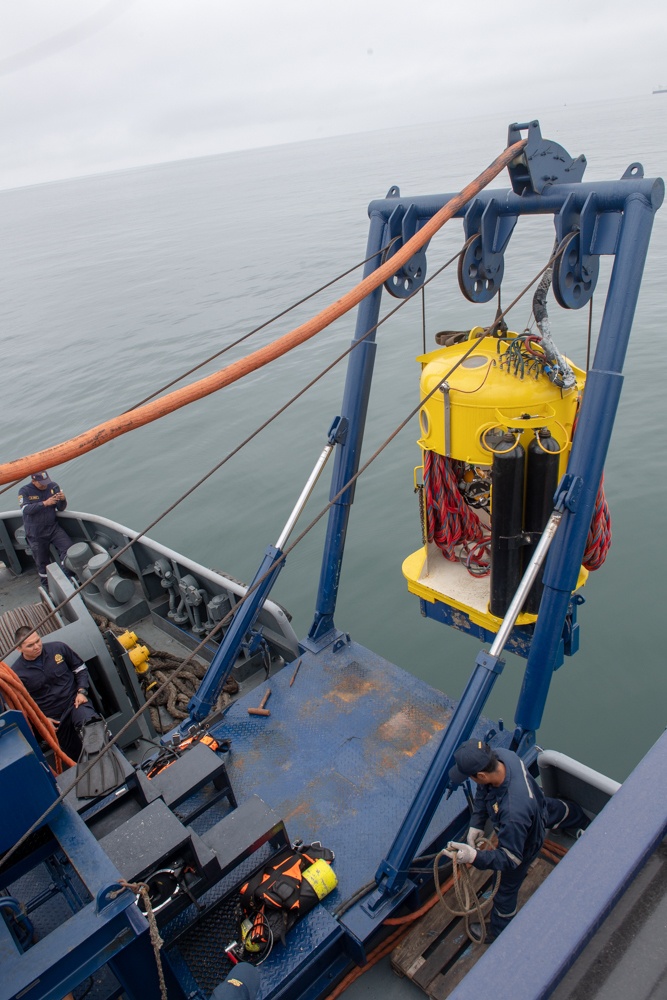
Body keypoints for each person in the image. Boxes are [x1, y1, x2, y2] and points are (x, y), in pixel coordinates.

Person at [444, 739, 587, 943]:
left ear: (482, 775)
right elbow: (484, 790)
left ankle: (499, 930)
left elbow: (511, 859)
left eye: (471, 777)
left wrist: (473, 856)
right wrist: (477, 822)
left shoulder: (512, 814)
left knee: (505, 890)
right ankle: (580, 817)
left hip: (526, 841)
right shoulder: (503, 756)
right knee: (553, 810)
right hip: (537, 805)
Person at [12, 627, 99, 760]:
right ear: (19, 648)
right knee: (77, 755)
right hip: (56, 721)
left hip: (75, 704)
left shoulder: (58, 648)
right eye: (30, 645)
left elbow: (80, 668)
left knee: (93, 727)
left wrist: (82, 691)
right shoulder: (16, 673)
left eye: (38, 641)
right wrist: (41, 720)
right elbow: (20, 705)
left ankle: (121, 764)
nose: (36, 646)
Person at [18, 471, 73, 592]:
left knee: (68, 548)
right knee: (42, 562)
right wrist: (44, 503)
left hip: (52, 527)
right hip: (35, 532)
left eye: (46, 482)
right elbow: (25, 510)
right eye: (41, 483)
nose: (45, 485)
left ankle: (67, 578)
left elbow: (61, 508)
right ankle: (47, 588)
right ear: (34, 481)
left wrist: (62, 500)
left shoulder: (52, 486)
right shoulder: (24, 491)